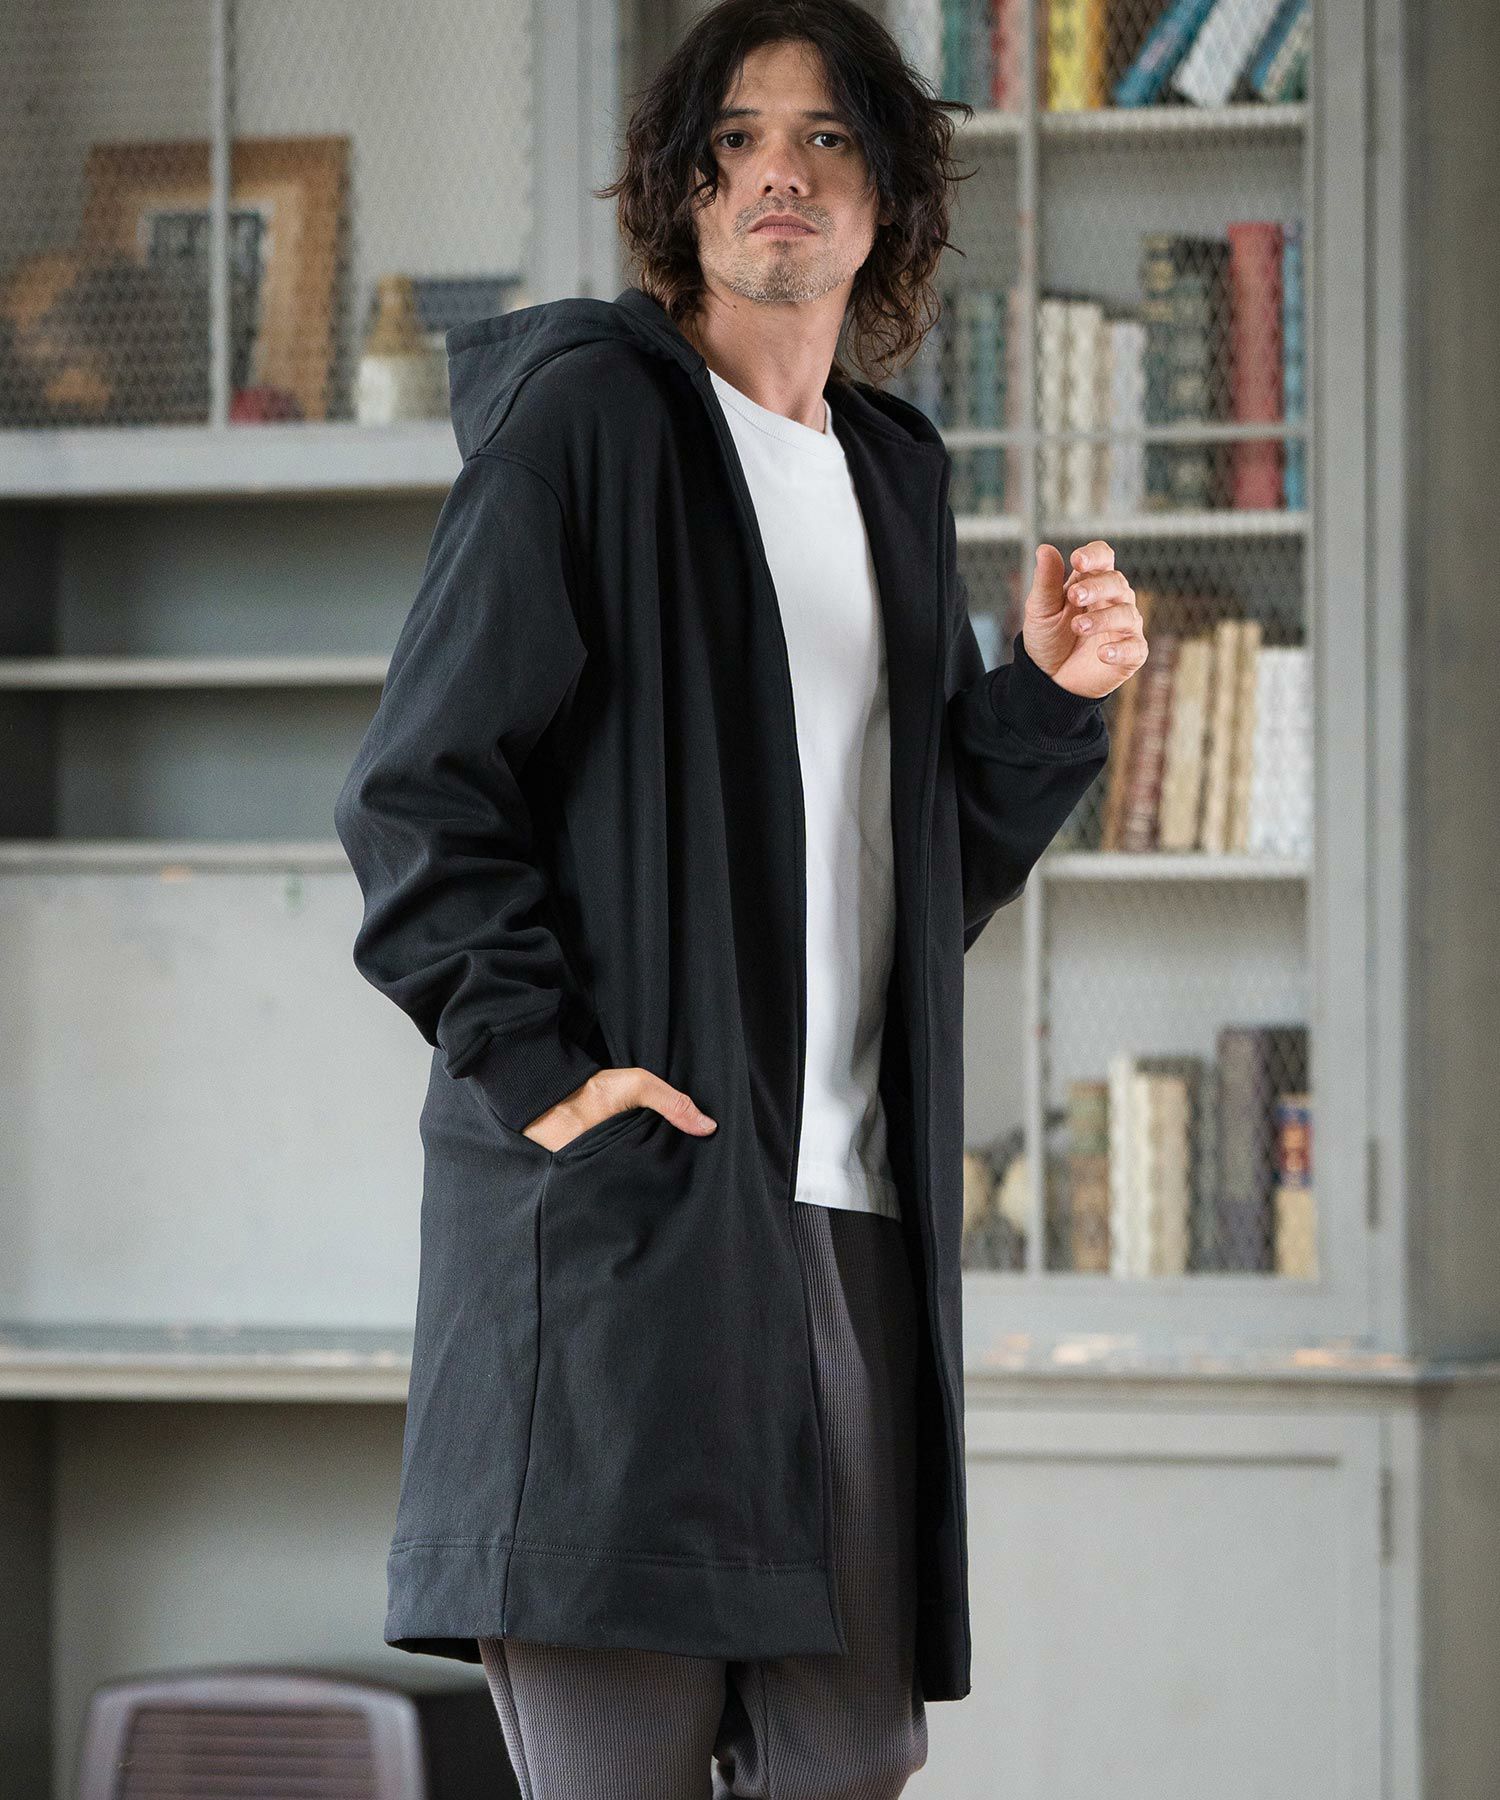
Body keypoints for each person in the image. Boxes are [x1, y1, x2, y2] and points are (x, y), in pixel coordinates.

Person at [334, 1, 1144, 1792]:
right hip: (637, 1232)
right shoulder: (587, 426)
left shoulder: (891, 480)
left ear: (888, 196)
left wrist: (1043, 701)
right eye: (736, 139)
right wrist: (544, 1070)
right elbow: (417, 787)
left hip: (854, 1233)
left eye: (827, 136)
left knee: (846, 1761)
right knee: (622, 1760)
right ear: (682, 190)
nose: (779, 169)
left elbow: (906, 881)